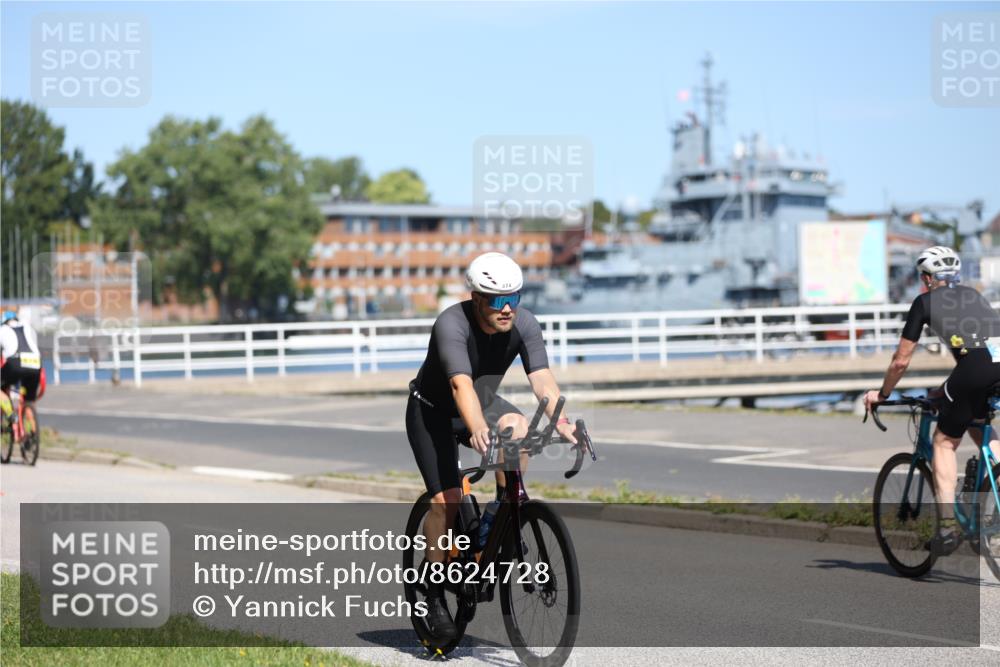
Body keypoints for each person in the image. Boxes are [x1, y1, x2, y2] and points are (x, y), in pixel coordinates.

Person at [405, 252, 577, 640]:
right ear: (477, 298)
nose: (507, 308)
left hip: (481, 402)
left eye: (514, 298)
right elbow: (459, 384)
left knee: (518, 427)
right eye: (498, 300)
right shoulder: (451, 323)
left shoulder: (524, 323)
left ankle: (502, 512)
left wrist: (562, 422)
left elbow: (542, 379)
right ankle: (433, 593)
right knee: (446, 501)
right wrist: (478, 427)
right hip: (432, 412)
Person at [864, 246, 1000, 555]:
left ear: (927, 278)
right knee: (978, 424)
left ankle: (948, 528)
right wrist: (943, 391)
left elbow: (901, 361)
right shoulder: (973, 295)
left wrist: (882, 394)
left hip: (976, 369)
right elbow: (979, 354)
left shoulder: (924, 302)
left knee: (943, 442)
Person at [1, 309, 46, 424]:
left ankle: (11, 415)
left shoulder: (2, 329)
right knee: (29, 400)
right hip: (36, 363)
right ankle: (32, 433)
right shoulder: (28, 327)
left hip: (15, 362)